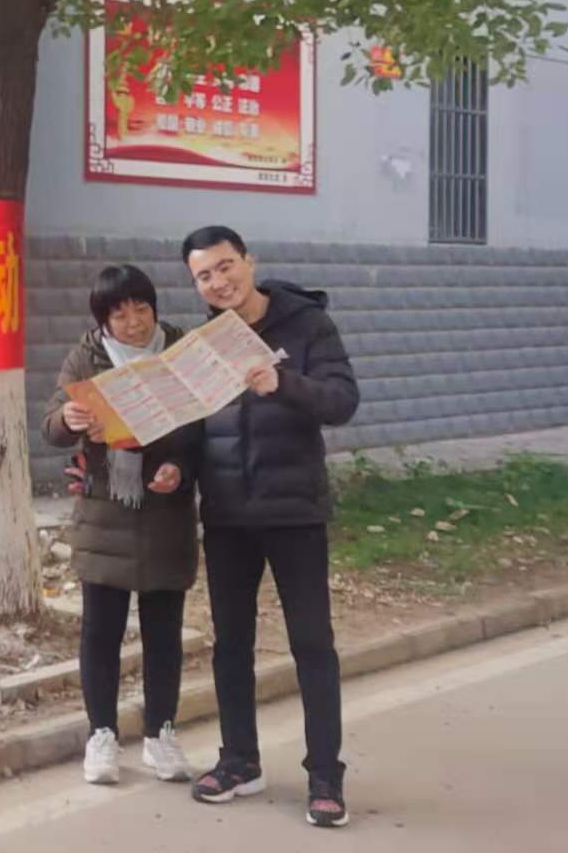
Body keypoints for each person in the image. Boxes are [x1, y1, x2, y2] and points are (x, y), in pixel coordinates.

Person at [177, 225, 360, 829]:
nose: (218, 282)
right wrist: (174, 469)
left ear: (248, 262)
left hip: (293, 510)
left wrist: (283, 383)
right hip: (227, 514)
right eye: (204, 275)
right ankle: (239, 761)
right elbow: (196, 428)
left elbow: (343, 401)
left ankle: (325, 775)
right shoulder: (202, 344)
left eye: (225, 266)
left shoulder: (307, 325)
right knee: (231, 644)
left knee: (312, 644)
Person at [40, 265, 207, 785]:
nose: (134, 322)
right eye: (120, 314)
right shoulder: (86, 357)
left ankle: (160, 735)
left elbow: (204, 429)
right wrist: (68, 420)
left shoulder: (181, 351)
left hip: (166, 511)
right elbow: (51, 426)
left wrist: (179, 468)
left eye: (141, 309)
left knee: (163, 633)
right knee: (101, 632)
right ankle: (102, 736)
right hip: (105, 512)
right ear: (103, 321)